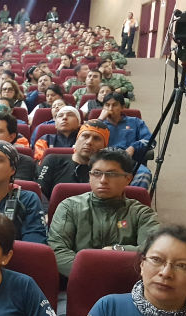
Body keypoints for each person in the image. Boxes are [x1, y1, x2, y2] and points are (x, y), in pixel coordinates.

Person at [48, 148, 159, 277]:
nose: (103, 180)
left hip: (126, 284)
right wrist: (97, 271)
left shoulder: (141, 213)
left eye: (112, 174)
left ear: (128, 179)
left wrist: (118, 250)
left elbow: (154, 250)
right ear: (89, 176)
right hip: (77, 281)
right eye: (96, 173)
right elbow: (57, 251)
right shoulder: (69, 207)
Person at [37, 120, 109, 199]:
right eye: (85, 136)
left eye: (96, 138)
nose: (89, 142)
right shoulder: (53, 160)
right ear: (77, 139)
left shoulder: (107, 170)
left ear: (104, 146)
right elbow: (39, 192)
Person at [98, 92, 152, 187]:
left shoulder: (135, 122)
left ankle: (131, 200)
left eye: (114, 105)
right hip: (104, 161)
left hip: (128, 161)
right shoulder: (99, 124)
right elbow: (86, 140)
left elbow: (150, 141)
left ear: (123, 107)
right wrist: (100, 120)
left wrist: (133, 147)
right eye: (107, 105)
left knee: (144, 174)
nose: (110, 109)